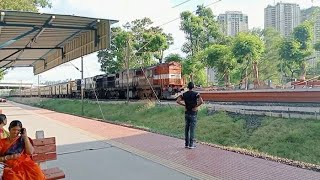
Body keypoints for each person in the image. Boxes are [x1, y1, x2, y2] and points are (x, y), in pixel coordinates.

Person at [176, 82, 203, 149]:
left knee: (186, 128)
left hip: (187, 112)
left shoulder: (184, 94)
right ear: (193, 87)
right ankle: (191, 145)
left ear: (188, 87)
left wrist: (184, 105)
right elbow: (201, 101)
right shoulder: (196, 94)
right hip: (193, 113)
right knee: (192, 129)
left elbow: (177, 101)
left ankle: (186, 144)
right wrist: (196, 106)